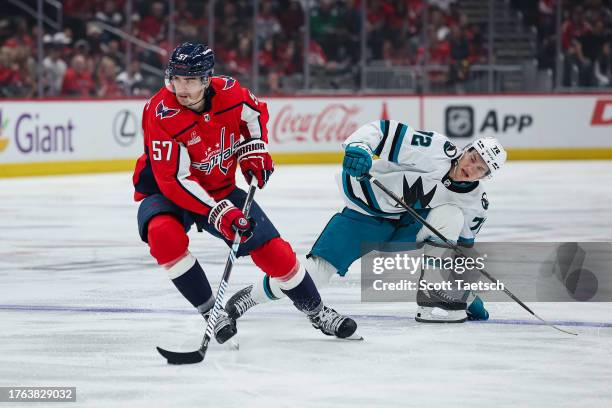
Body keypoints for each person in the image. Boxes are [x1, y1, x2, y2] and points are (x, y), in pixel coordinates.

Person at [132, 42, 358, 343]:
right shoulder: (160, 112)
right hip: (168, 193)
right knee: (163, 235)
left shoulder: (231, 92)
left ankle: (317, 312)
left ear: (206, 80)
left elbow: (255, 115)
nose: (180, 88)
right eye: (176, 79)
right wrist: (220, 212)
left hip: (221, 188)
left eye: (189, 80)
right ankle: (212, 312)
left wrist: (254, 150)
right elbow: (174, 179)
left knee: (275, 254)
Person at [225, 120, 506, 324]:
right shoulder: (434, 149)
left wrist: (465, 292)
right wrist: (359, 147)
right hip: (366, 211)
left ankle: (433, 295)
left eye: (481, 168)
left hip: (406, 224)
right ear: (467, 148)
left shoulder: (475, 204)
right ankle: (254, 294)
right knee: (316, 274)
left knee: (450, 217)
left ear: (486, 177)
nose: (471, 167)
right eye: (473, 156)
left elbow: (461, 252)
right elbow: (383, 131)